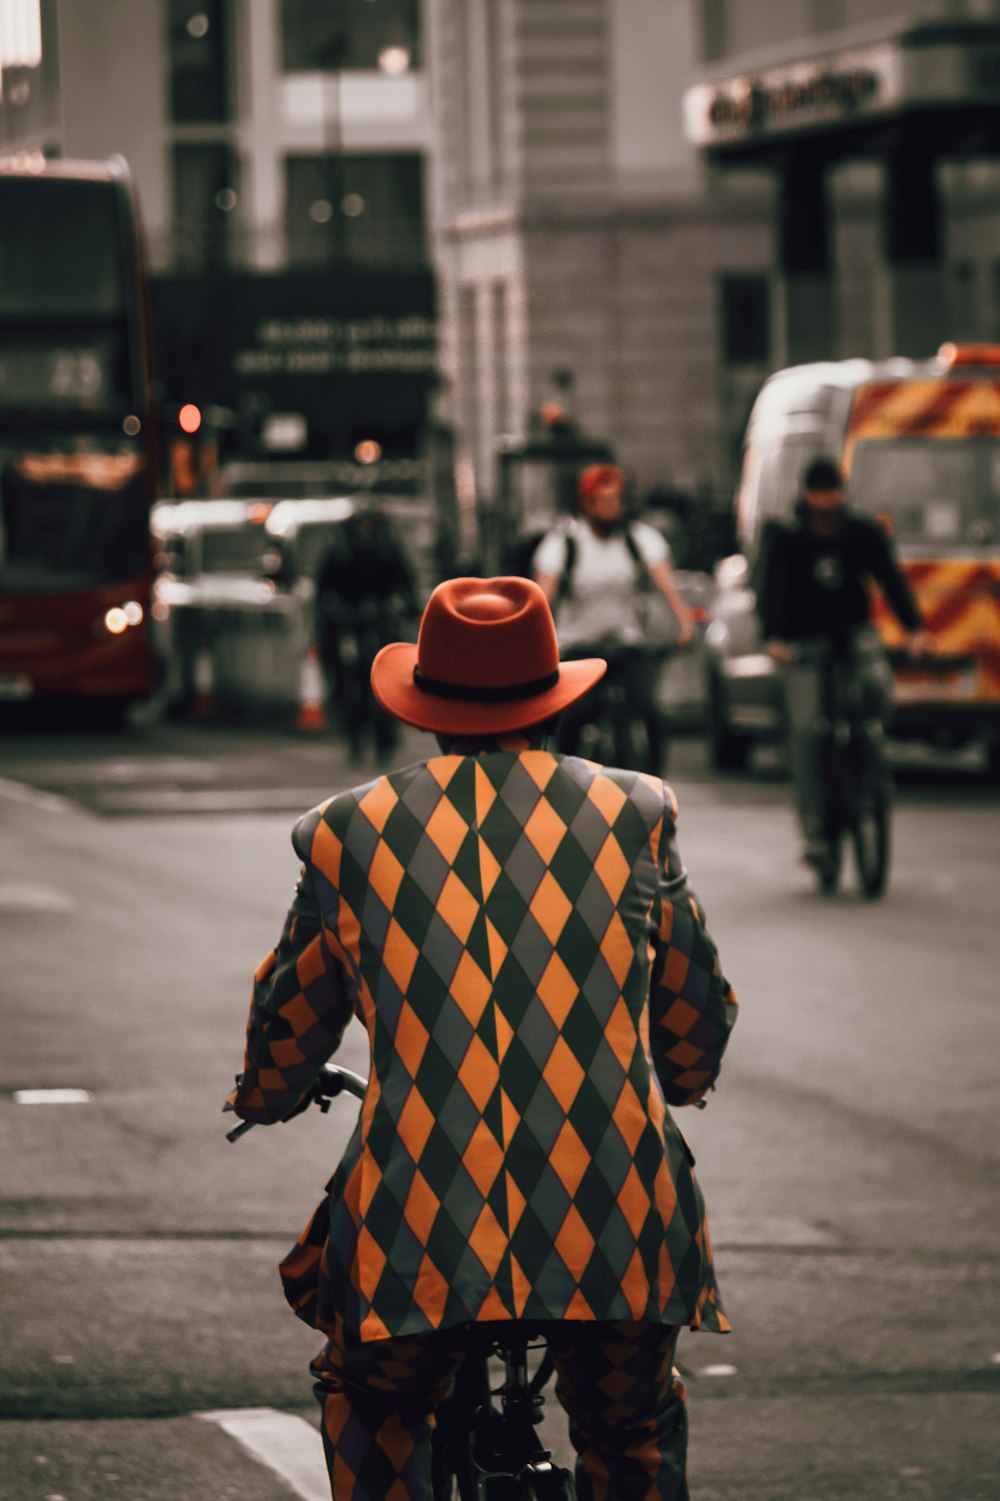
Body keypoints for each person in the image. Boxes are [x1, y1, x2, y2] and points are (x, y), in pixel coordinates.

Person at [225, 574, 738, 1501]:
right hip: (617, 1218)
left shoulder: (348, 833)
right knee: (631, 1426)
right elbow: (694, 1005)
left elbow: (292, 1019)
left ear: (428, 711)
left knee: (375, 1400)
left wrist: (264, 1093)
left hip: (419, 1227)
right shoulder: (637, 813)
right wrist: (686, 1073)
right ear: (552, 699)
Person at [758, 454, 930, 868]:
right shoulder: (787, 537)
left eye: (833, 492)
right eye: (819, 493)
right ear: (806, 495)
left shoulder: (862, 533)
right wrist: (774, 638)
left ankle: (871, 758)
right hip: (803, 644)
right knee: (804, 730)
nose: (826, 500)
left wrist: (914, 628)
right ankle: (815, 829)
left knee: (876, 684)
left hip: (853, 637)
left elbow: (890, 578)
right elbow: (772, 589)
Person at [534, 462, 696, 773]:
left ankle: (654, 788)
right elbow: (544, 596)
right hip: (579, 647)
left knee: (650, 712)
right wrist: (534, 637)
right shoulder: (564, 543)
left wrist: (683, 619)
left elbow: (666, 585)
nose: (610, 508)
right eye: (602, 501)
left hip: (626, 643)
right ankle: (565, 780)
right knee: (571, 714)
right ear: (587, 504)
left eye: (616, 500)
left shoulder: (640, 539)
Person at [314, 502, 419, 759]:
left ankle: (386, 735)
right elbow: (323, 592)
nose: (365, 533)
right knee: (347, 677)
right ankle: (354, 734)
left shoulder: (388, 550)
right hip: (349, 625)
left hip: (381, 623)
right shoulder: (339, 553)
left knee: (392, 674)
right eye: (360, 527)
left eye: (370, 527)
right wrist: (334, 611)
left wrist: (403, 605)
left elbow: (406, 584)